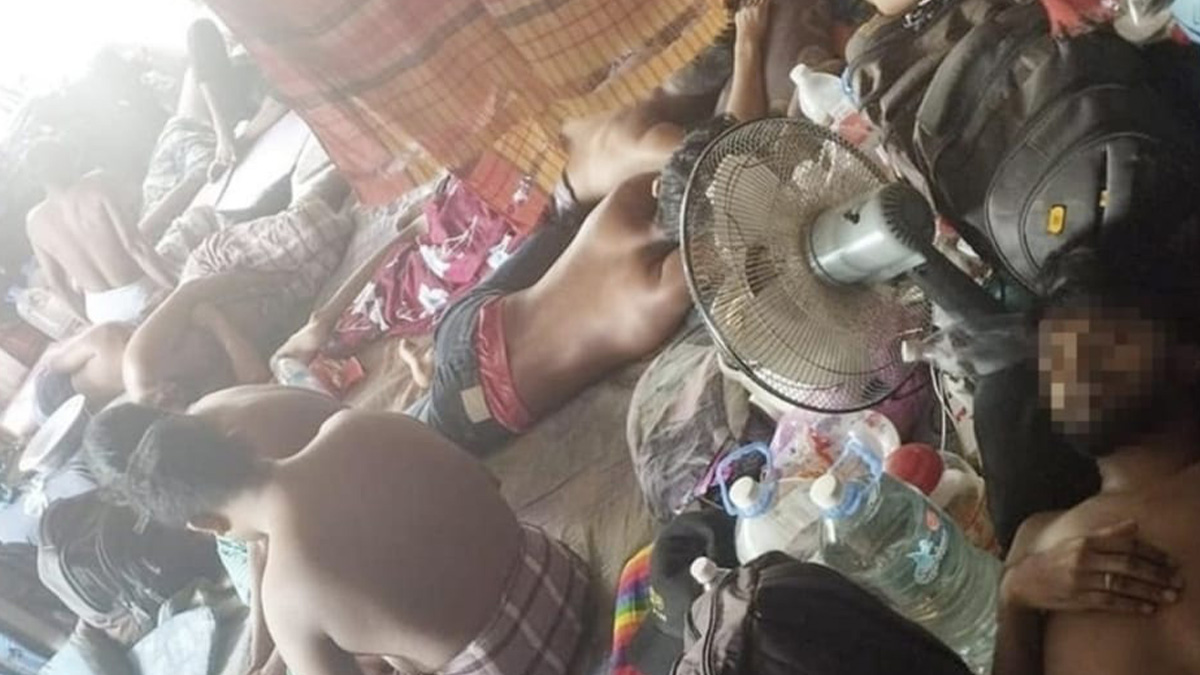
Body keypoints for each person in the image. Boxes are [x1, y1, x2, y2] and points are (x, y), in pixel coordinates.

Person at [389, 0, 773, 454]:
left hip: (465, 329)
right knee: (434, 433)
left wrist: (748, 43)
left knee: (424, 432)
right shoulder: (659, 290)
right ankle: (429, 373)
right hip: (482, 381)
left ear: (658, 188)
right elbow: (733, 167)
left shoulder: (625, 205)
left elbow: (722, 166)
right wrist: (751, 46)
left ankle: (429, 369)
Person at [84, 403, 590, 675]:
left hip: (519, 662)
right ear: (235, 439)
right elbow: (487, 482)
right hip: (558, 571)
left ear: (207, 525)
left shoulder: (285, 597)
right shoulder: (355, 424)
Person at [993, 229, 1200, 675]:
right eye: (1055, 360)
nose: (1075, 372)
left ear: (1189, 357)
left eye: (1102, 342)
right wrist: (1015, 598)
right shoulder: (1035, 541)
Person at [123, 161, 354, 409]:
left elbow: (190, 293)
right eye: (169, 405)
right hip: (266, 311)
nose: (168, 395)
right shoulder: (194, 413)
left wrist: (261, 280)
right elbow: (256, 379)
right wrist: (217, 323)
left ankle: (346, 166)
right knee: (338, 243)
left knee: (310, 229)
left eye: (158, 397)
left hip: (225, 271)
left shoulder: (140, 363)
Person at [23, 140, 176, 325]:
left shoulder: (34, 222)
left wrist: (92, 326)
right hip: (141, 293)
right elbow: (136, 247)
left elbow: (57, 285)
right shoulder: (97, 185)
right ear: (68, 158)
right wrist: (175, 288)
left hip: (100, 312)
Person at [34, 323, 133, 417]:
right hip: (80, 405)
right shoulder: (107, 335)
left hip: (64, 394)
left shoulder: (108, 334)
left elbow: (55, 363)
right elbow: (56, 362)